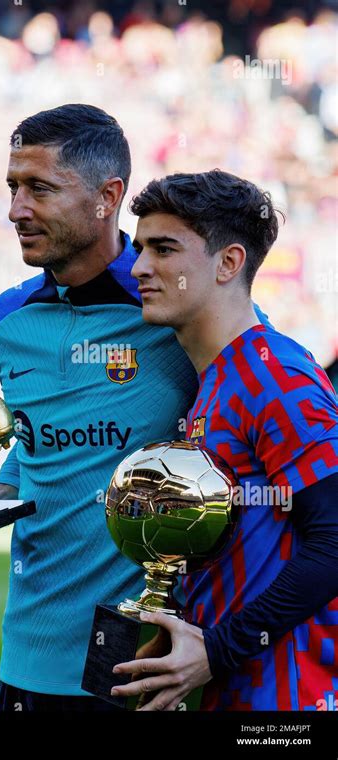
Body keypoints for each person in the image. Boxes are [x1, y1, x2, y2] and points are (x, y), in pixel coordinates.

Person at [0, 104, 202, 711]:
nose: (17, 209)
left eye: (39, 188)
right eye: (13, 188)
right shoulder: (7, 321)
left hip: (136, 663)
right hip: (23, 659)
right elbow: (34, 444)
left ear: (108, 197)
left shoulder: (179, 313)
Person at [110, 169, 338, 711]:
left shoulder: (275, 375)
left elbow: (335, 540)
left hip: (287, 703)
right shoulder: (213, 382)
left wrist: (217, 649)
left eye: (164, 249)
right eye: (140, 248)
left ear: (228, 263)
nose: (140, 267)